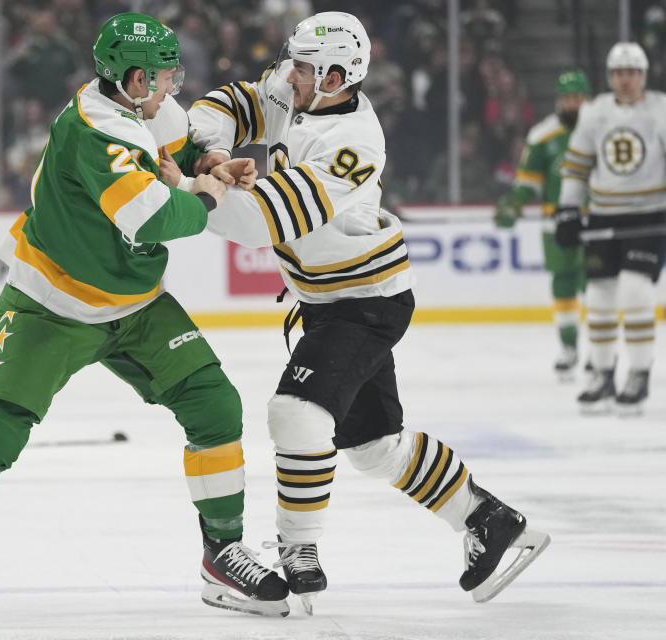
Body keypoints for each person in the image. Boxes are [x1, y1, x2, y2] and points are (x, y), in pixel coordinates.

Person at [0, 13, 290, 627]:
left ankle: (222, 552)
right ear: (132, 80)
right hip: (50, 305)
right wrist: (209, 194)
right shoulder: (95, 132)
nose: (171, 87)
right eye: (162, 77)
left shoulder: (145, 108)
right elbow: (155, 218)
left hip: (134, 304)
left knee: (215, 406)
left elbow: (178, 146)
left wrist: (214, 158)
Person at [170, 11, 550, 613]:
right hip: (328, 299)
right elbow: (237, 102)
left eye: (301, 67)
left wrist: (190, 189)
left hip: (363, 302)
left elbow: (261, 221)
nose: (287, 74)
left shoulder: (353, 146)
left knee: (296, 414)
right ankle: (487, 518)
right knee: (374, 445)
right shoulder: (303, 85)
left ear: (336, 75)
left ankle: (298, 552)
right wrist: (211, 150)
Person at [556, 42, 666, 415]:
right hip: (604, 216)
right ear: (610, 76)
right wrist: (568, 209)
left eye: (632, 72)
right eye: (619, 73)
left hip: (650, 216)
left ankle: (638, 371)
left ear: (642, 75)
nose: (625, 79)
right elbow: (577, 165)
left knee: (635, 293)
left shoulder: (660, 108)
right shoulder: (595, 111)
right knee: (600, 300)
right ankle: (602, 372)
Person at [494, 70, 591, 379]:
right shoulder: (542, 136)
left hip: (598, 221)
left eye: (577, 97)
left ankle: (602, 353)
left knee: (599, 287)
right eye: (567, 98)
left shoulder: (602, 129)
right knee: (563, 285)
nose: (572, 103)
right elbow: (529, 183)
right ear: (558, 100)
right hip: (557, 224)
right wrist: (514, 203)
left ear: (586, 98)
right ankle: (569, 348)